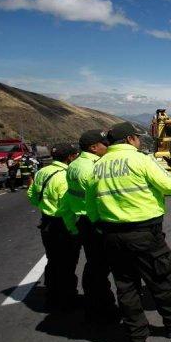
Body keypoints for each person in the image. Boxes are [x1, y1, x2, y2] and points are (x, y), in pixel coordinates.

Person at [86, 122, 171, 342]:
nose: (138, 141)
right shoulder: (141, 160)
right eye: (136, 137)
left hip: (112, 234)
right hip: (145, 233)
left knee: (126, 285)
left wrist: (101, 226)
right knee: (160, 278)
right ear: (129, 140)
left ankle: (136, 336)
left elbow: (91, 205)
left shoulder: (98, 166)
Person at [66, 129, 118, 323]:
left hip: (82, 220)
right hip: (94, 221)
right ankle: (102, 310)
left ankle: (96, 306)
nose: (108, 146)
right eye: (104, 144)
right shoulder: (92, 168)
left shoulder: (74, 165)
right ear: (94, 147)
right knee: (99, 269)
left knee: (94, 266)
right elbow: (97, 198)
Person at [27, 143, 80, 311]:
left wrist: (44, 206)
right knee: (67, 264)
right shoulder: (65, 176)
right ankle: (67, 299)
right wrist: (73, 229)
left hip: (46, 223)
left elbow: (31, 194)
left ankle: (52, 295)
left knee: (53, 260)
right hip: (62, 225)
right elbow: (66, 207)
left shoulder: (42, 172)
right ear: (71, 157)